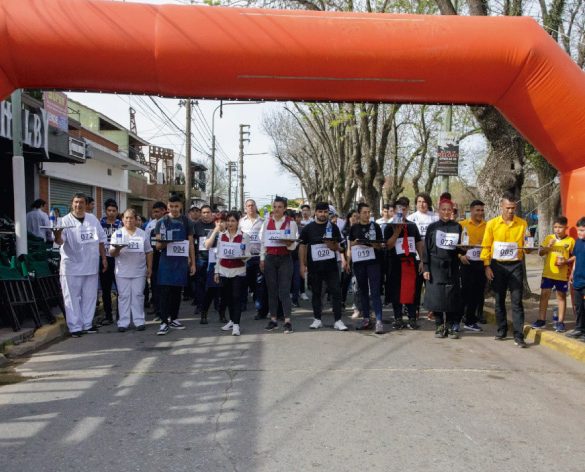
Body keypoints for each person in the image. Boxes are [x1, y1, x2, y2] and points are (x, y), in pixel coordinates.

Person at [54, 193, 107, 337]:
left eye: (81, 202)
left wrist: (103, 258)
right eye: (76, 202)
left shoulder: (92, 219)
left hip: (90, 265)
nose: (78, 205)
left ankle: (87, 324)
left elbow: (101, 240)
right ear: (72, 204)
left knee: (90, 297)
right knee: (72, 298)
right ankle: (75, 327)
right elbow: (59, 241)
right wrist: (57, 234)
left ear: (85, 204)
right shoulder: (64, 221)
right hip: (71, 266)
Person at [480, 193, 529, 348]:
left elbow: (527, 245)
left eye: (513, 208)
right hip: (498, 266)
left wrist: (529, 247)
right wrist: (487, 266)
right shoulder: (492, 224)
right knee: (499, 299)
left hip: (515, 266)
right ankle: (501, 330)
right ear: (501, 206)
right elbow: (486, 246)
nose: (510, 211)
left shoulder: (522, 224)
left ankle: (519, 336)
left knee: (517, 301)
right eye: (507, 208)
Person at [299, 202, 348, 331]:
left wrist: (335, 247)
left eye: (325, 212)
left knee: (336, 292)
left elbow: (342, 247)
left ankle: (338, 320)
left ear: (328, 213)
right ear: (315, 212)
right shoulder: (308, 228)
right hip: (314, 267)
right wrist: (302, 264)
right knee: (316, 292)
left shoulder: (333, 227)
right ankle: (317, 319)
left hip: (331, 267)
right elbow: (302, 246)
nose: (323, 214)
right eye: (320, 211)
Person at [154, 195, 196, 335]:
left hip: (180, 262)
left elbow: (191, 244)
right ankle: (163, 322)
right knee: (165, 292)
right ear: (167, 206)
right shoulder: (161, 222)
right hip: (166, 263)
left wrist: (193, 263)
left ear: (181, 206)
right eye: (171, 206)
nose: (174, 209)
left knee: (177, 292)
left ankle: (174, 318)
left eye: (176, 206)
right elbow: (158, 246)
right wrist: (167, 242)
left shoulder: (186, 221)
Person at [423, 198, 463, 339]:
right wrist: (426, 267)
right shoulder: (432, 227)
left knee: (451, 297)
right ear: (439, 211)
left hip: (452, 266)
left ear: (452, 211)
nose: (446, 212)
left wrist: (465, 249)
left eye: (449, 210)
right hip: (435, 266)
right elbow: (426, 249)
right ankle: (439, 325)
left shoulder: (457, 227)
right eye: (443, 209)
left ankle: (451, 325)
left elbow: (460, 248)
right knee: (437, 297)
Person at [109, 209, 153, 332]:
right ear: (122, 219)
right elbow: (112, 253)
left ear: (135, 219)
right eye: (126, 218)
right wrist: (118, 248)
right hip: (122, 271)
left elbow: (149, 252)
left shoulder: (142, 234)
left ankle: (139, 321)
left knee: (138, 295)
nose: (129, 220)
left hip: (139, 271)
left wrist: (149, 267)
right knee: (124, 296)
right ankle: (123, 322)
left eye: (131, 218)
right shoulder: (117, 234)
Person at [384, 197, 424, 330]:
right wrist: (396, 232)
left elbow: (418, 243)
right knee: (396, 291)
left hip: (410, 262)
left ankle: (412, 318)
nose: (402, 211)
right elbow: (388, 245)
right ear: (395, 210)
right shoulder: (389, 226)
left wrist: (422, 260)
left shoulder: (412, 225)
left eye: (405, 209)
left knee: (412, 290)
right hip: (395, 263)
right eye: (399, 209)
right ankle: (398, 318)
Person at [260, 196, 299, 334]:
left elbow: (294, 243)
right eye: (275, 207)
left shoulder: (291, 223)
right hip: (270, 258)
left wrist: (289, 244)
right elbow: (263, 242)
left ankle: (287, 321)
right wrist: (262, 259)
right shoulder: (266, 222)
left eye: (280, 207)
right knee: (272, 290)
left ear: (285, 209)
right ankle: (273, 320)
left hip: (285, 258)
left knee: (284, 290)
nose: (276, 209)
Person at [531, 216, 575, 332]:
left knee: (561, 296)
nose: (557, 230)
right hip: (548, 273)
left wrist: (565, 261)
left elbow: (575, 255)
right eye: (555, 227)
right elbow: (540, 252)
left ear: (566, 227)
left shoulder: (570, 241)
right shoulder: (549, 238)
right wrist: (548, 247)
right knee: (544, 295)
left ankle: (560, 322)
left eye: (560, 227)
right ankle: (541, 320)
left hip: (562, 274)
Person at [348, 202, 384, 333]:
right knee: (362, 291)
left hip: (373, 262)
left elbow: (380, 245)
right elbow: (350, 245)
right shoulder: (354, 227)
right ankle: (366, 319)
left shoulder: (375, 226)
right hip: (359, 263)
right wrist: (348, 260)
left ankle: (379, 320)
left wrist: (374, 244)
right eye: (364, 212)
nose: (367, 215)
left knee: (375, 291)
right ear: (358, 213)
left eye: (369, 212)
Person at [214, 211, 251, 336]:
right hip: (224, 271)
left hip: (238, 271)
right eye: (228, 221)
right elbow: (219, 255)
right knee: (228, 298)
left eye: (233, 221)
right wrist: (216, 271)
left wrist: (242, 256)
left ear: (237, 222)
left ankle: (236, 325)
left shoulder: (244, 236)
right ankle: (231, 320)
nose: (230, 223)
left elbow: (247, 254)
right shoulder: (222, 236)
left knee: (236, 297)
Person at [408, 192, 439, 319]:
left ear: (428, 203)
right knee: (416, 285)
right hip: (416, 257)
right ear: (416, 204)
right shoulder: (411, 219)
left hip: (432, 257)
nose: (422, 204)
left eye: (424, 202)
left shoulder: (435, 218)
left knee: (431, 284)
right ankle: (415, 309)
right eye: (419, 202)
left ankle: (432, 309)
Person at [459, 200, 487, 332]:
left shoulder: (487, 226)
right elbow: (455, 245)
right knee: (465, 293)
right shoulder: (462, 225)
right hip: (466, 263)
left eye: (482, 210)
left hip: (481, 263)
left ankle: (470, 321)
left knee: (478, 293)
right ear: (471, 211)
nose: (480, 213)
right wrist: (460, 256)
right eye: (477, 210)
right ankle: (456, 319)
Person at [239, 199, 267, 319]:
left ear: (256, 207)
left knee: (259, 283)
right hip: (245, 257)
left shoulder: (263, 221)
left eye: (252, 205)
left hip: (258, 256)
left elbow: (265, 240)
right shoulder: (241, 222)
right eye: (248, 206)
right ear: (245, 208)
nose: (250, 207)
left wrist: (263, 257)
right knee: (244, 282)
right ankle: (242, 304)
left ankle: (259, 307)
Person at [99, 199, 122, 326]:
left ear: (117, 211)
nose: (111, 213)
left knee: (120, 289)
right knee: (106, 289)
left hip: (118, 260)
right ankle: (108, 315)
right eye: (109, 210)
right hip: (104, 259)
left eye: (114, 210)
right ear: (105, 211)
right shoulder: (100, 223)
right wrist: (102, 258)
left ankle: (120, 315)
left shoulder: (121, 224)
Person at [143, 201, 167, 320]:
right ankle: (157, 309)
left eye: (157, 212)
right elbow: (146, 242)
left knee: (165, 287)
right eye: (154, 212)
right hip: (154, 257)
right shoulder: (150, 225)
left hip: (166, 257)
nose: (155, 214)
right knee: (155, 285)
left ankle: (166, 311)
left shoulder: (169, 223)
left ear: (163, 211)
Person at [192, 204, 216, 317]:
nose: (206, 214)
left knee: (214, 282)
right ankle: (200, 305)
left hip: (214, 258)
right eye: (203, 213)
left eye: (208, 212)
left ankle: (217, 305)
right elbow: (192, 242)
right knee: (200, 283)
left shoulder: (216, 224)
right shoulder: (196, 225)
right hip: (201, 258)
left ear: (211, 214)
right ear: (201, 214)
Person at [566, 217, 585, 339]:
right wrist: (572, 273)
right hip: (578, 280)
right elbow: (576, 258)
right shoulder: (578, 242)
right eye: (578, 230)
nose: (579, 233)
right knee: (579, 306)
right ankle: (579, 328)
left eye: (582, 230)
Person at [340, 209, 361, 318]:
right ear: (349, 218)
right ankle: (342, 301)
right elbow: (343, 247)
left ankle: (357, 305)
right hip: (347, 258)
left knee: (356, 283)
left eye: (357, 216)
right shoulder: (344, 231)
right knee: (345, 281)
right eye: (353, 216)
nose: (355, 218)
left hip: (358, 258)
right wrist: (344, 260)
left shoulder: (360, 229)